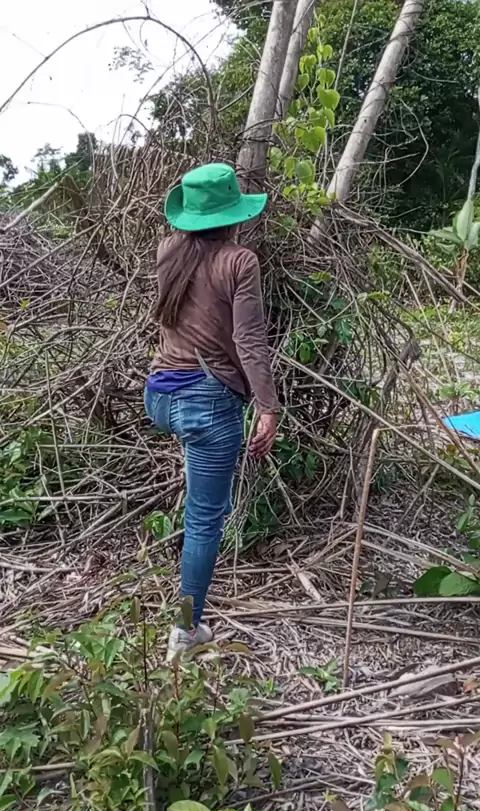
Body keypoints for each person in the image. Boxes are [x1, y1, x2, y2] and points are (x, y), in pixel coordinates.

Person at [144, 162, 280, 661]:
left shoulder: (168, 250)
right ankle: (186, 629)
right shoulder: (240, 261)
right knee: (205, 521)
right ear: (233, 213)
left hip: (160, 395)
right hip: (205, 403)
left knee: (202, 503)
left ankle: (187, 617)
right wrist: (268, 406)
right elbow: (249, 340)